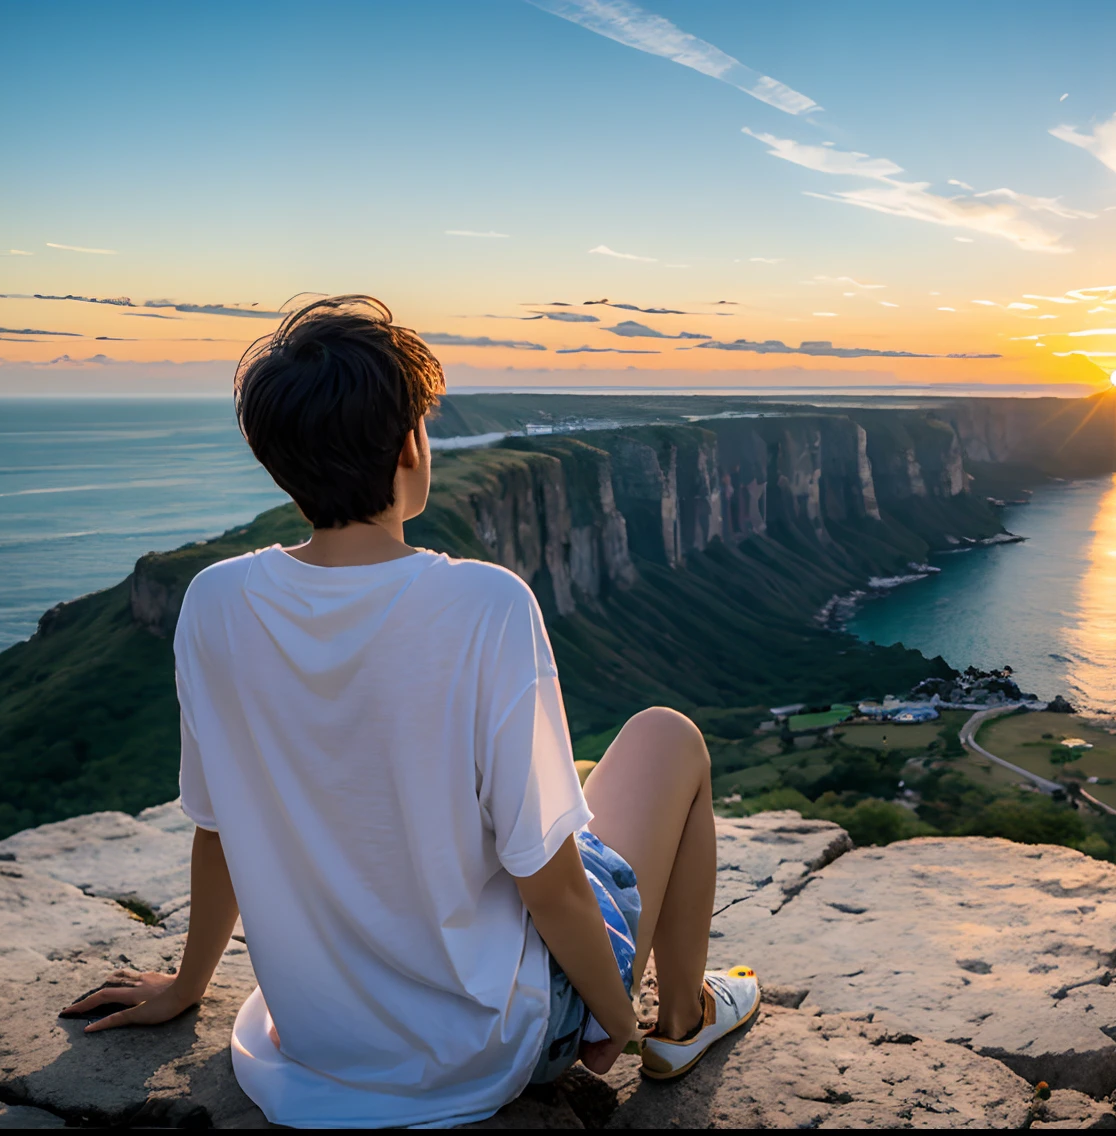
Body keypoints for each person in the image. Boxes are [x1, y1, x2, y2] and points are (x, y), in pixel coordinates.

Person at [59, 296, 759, 1127]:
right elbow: (547, 880)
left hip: (318, 1044)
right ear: (410, 447)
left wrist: (188, 986)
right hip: (492, 1049)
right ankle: (679, 1020)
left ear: (276, 459)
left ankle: (671, 1011)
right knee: (667, 737)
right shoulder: (482, 603)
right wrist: (612, 1020)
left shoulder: (214, 602)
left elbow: (219, 830)